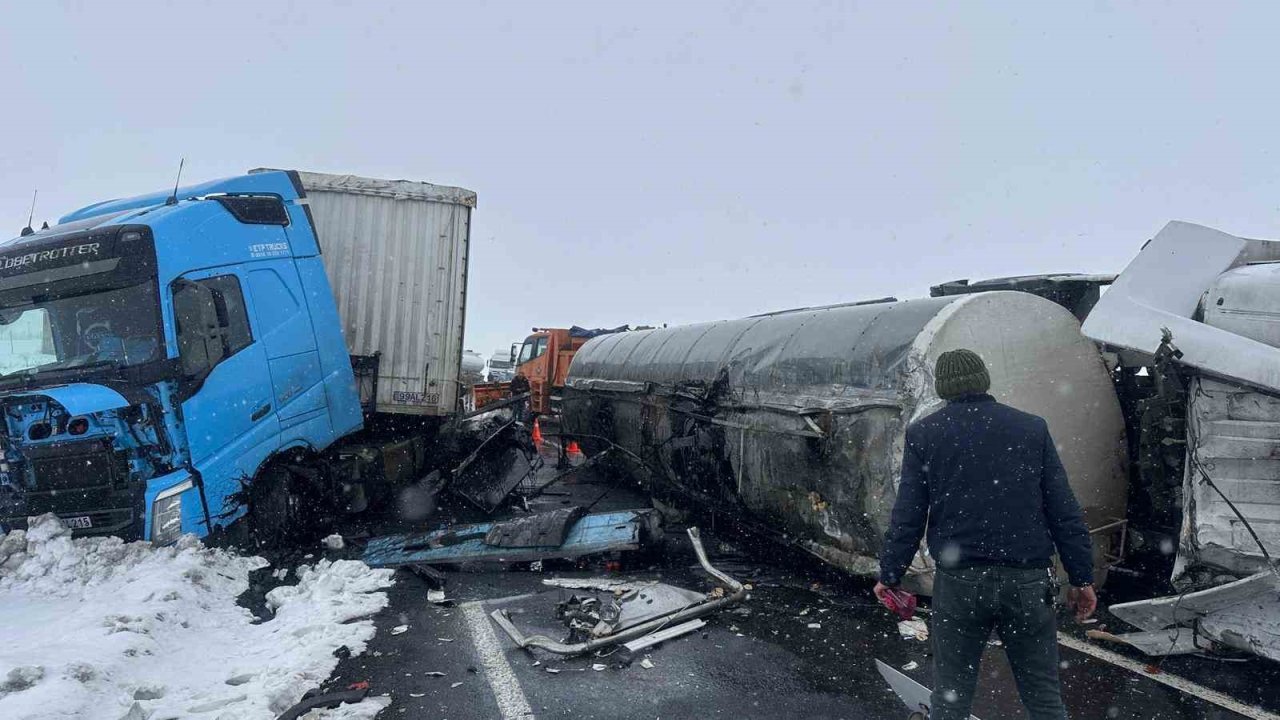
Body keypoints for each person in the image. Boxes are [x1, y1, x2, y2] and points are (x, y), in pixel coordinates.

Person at [874, 349, 1097, 720]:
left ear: (943, 388)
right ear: (984, 380)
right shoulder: (1031, 428)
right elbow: (1064, 511)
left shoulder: (925, 434)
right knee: (1043, 697)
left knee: (951, 697)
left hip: (960, 583)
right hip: (1026, 581)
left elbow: (909, 515)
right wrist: (1081, 577)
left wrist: (891, 573)